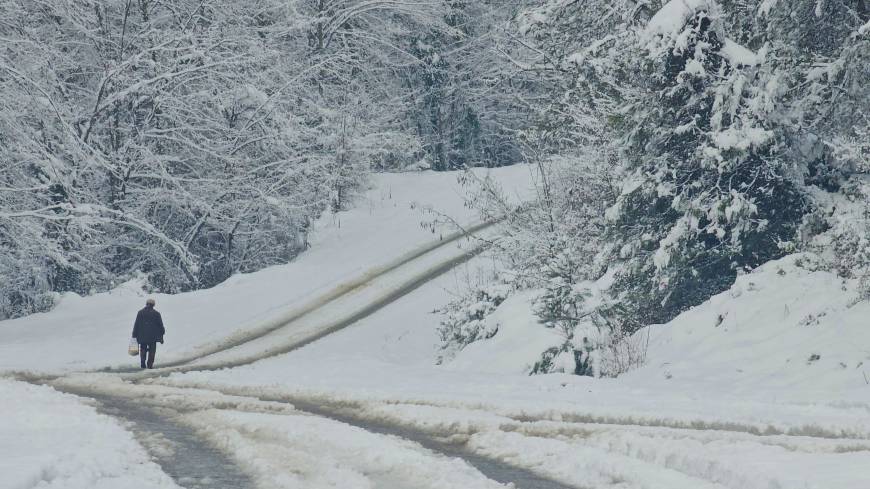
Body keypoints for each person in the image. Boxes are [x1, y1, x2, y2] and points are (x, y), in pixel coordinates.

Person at [132, 298, 165, 369]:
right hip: (153, 337)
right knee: (152, 350)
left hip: (142, 336)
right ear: (153, 305)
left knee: (143, 349)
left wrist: (134, 334)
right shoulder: (156, 314)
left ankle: (142, 363)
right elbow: (160, 325)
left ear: (146, 304)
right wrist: (162, 333)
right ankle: (150, 365)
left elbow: (136, 324)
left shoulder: (140, 312)